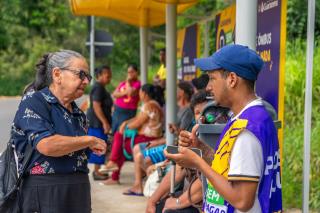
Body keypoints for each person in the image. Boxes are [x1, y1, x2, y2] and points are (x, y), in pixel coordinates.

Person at [165, 44, 282, 213]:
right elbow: (231, 169)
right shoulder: (247, 118)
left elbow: (242, 200)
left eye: (212, 78)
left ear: (232, 79)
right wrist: (200, 148)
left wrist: (197, 162)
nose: (208, 87)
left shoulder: (247, 131)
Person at [11, 50, 107, 213]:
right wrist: (89, 140)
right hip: (45, 190)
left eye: (88, 77)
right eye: (81, 74)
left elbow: (76, 154)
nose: (85, 81)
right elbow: (47, 145)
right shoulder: (35, 101)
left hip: (78, 188)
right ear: (57, 74)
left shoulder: (78, 114)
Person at [145, 90, 212, 213]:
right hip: (190, 195)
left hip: (206, 202)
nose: (202, 117)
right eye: (197, 113)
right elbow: (178, 170)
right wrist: (152, 201)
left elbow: (205, 181)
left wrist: (177, 202)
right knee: (157, 207)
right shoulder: (194, 136)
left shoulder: (218, 137)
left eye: (206, 112)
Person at [102, 84, 165, 185]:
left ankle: (113, 168)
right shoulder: (154, 104)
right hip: (148, 137)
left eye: (140, 92)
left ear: (145, 94)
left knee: (119, 141)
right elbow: (138, 119)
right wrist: (125, 123)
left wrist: (126, 126)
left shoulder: (149, 105)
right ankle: (113, 170)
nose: (139, 94)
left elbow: (137, 123)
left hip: (148, 138)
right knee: (119, 141)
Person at [86, 65, 113, 180]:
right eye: (107, 75)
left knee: (100, 146)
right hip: (97, 123)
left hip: (97, 123)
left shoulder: (100, 87)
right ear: (100, 75)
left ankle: (97, 170)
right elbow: (96, 106)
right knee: (98, 146)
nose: (110, 77)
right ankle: (96, 172)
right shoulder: (98, 88)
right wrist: (105, 122)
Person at [111, 64, 141, 133]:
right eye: (128, 72)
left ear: (137, 72)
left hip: (128, 111)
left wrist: (128, 82)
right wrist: (125, 92)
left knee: (123, 130)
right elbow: (114, 94)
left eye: (132, 72)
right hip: (118, 110)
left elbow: (130, 93)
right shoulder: (122, 83)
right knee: (114, 129)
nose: (130, 74)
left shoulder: (138, 84)